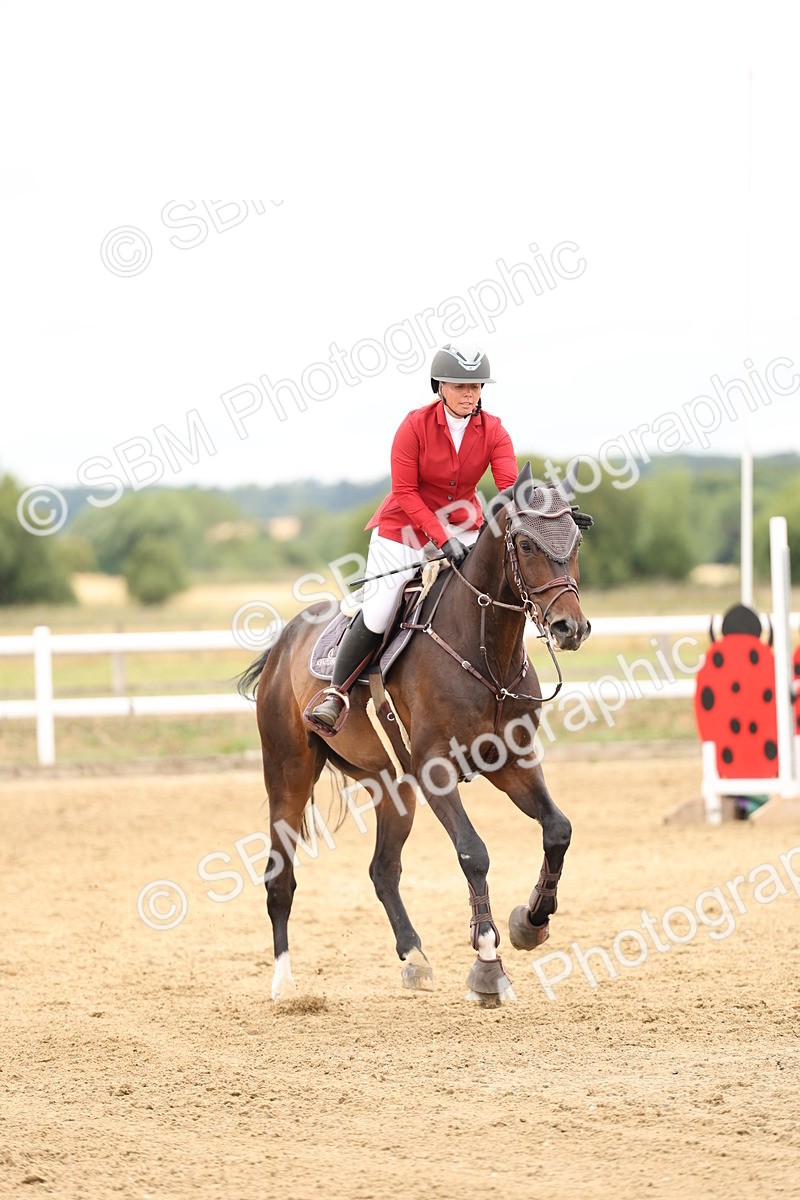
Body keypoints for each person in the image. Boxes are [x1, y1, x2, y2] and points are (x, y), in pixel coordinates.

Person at [306, 339, 520, 733]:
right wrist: (441, 538)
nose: (469, 394)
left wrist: (546, 513)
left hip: (462, 523)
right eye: (460, 386)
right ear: (440, 386)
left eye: (475, 387)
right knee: (381, 607)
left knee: (495, 587)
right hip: (402, 528)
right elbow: (405, 491)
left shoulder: (494, 430)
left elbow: (509, 489)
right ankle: (336, 694)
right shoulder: (414, 425)